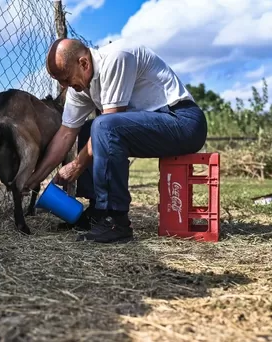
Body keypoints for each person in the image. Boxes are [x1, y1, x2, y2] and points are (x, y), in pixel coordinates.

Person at [23, 38, 207, 243]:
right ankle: (98, 213)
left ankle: (115, 221)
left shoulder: (117, 57)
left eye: (66, 79)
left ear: (84, 63)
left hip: (184, 122)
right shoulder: (79, 87)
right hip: (157, 125)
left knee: (103, 126)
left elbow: (109, 124)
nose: (64, 87)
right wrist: (32, 180)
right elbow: (66, 134)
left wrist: (76, 165)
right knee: (87, 130)